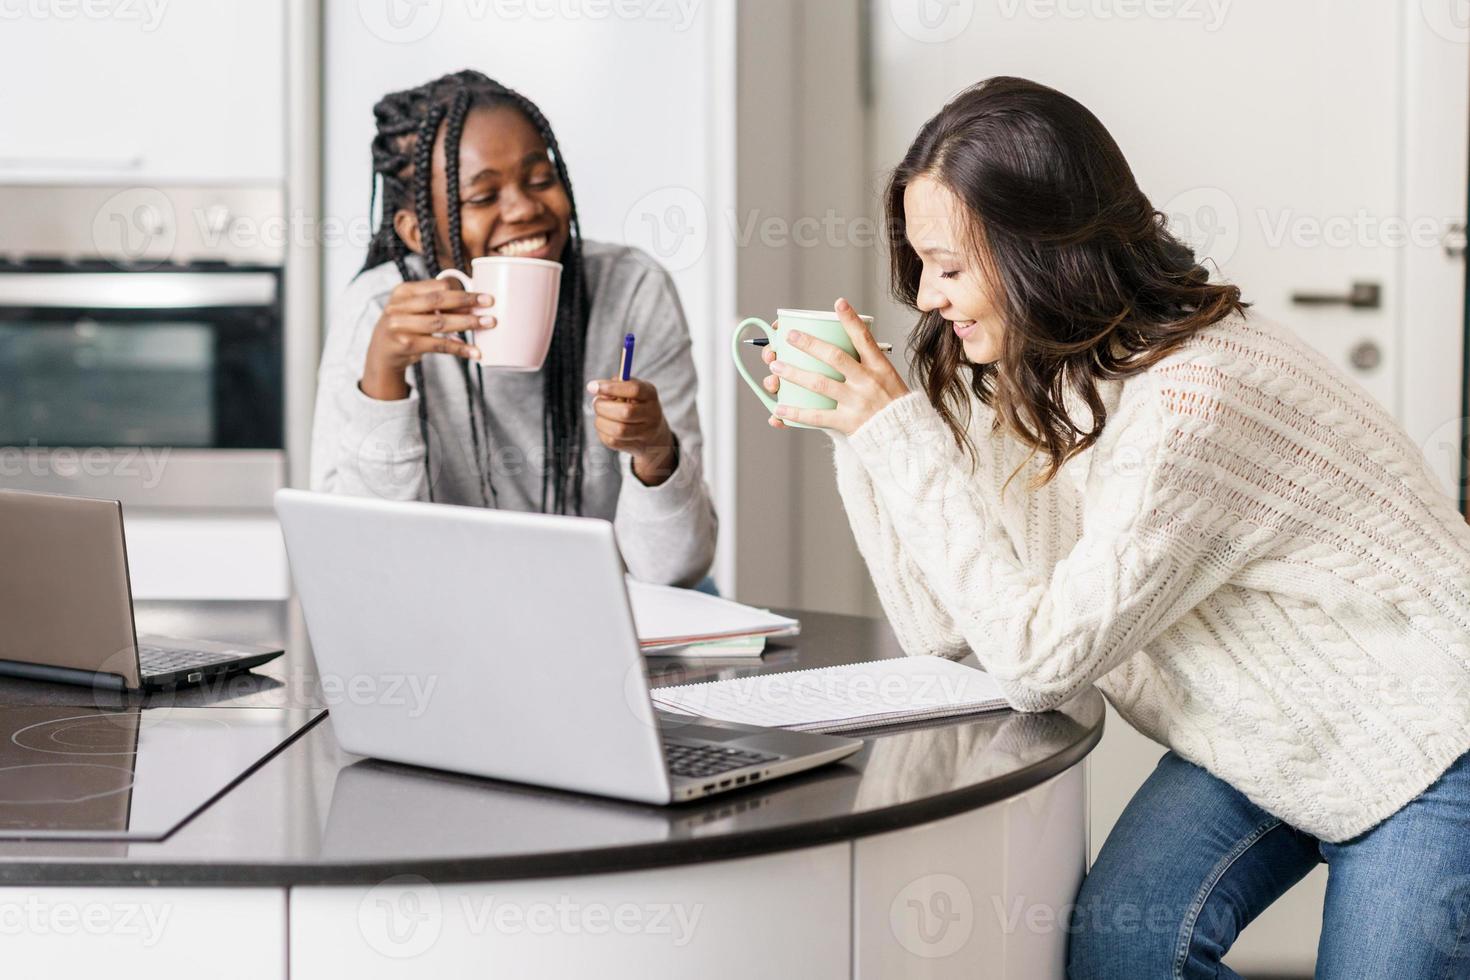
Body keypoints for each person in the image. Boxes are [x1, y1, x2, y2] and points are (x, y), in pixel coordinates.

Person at [759, 76, 1470, 976]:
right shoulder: (1031, 374)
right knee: (1122, 952)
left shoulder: (1192, 398)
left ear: (1043, 249)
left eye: (950, 265)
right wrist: (860, 440)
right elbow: (948, 634)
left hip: (1428, 738)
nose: (928, 296)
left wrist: (896, 439)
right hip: (1267, 732)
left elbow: (1033, 664)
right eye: (921, 265)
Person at [311, 69, 716, 587]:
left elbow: (676, 569)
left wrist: (655, 448)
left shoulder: (632, 290)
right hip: (444, 617)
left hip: (601, 610)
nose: (525, 208)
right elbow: (361, 565)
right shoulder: (375, 312)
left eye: (541, 178)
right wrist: (383, 379)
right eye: (481, 198)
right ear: (417, 232)